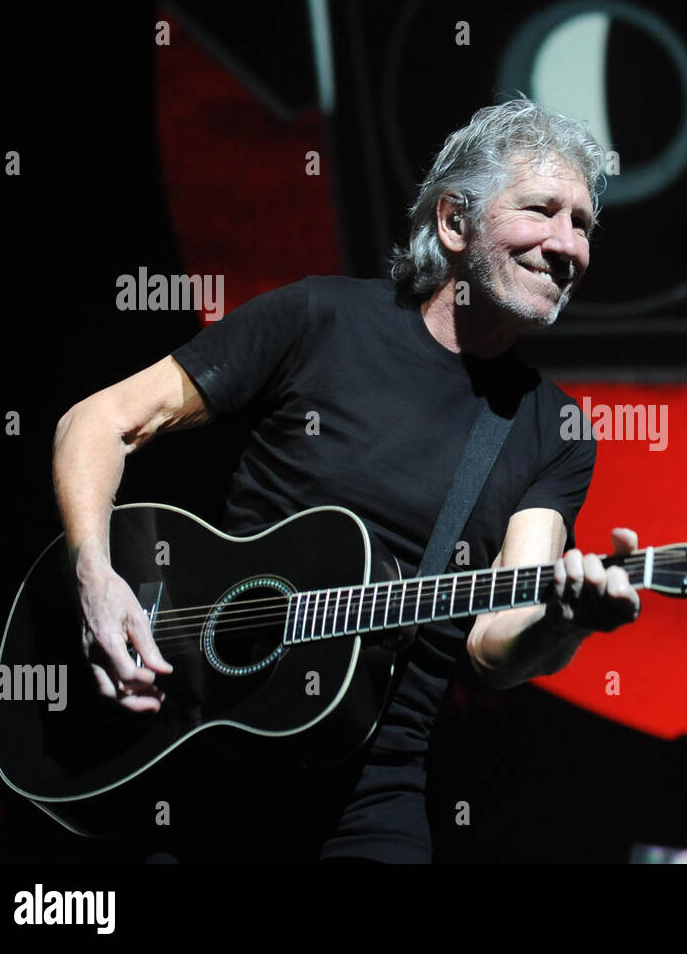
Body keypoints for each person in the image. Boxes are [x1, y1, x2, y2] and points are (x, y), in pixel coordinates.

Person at [52, 99, 641, 862]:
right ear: (455, 222)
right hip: (188, 751)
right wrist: (95, 579)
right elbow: (96, 423)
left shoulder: (549, 432)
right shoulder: (318, 320)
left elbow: (494, 645)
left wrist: (563, 620)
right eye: (542, 211)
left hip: (369, 794)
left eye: (584, 224)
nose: (568, 246)